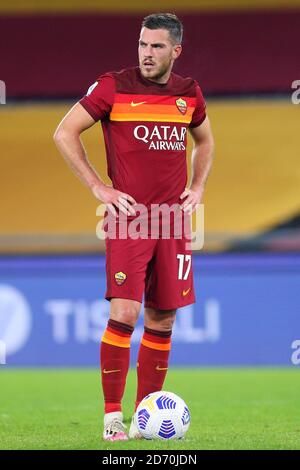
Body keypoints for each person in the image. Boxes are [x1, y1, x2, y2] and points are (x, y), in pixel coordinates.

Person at [54, 12, 214, 441]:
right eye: (143, 45)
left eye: (157, 46)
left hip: (173, 222)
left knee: (163, 320)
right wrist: (97, 187)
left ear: (175, 51)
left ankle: (145, 418)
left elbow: (205, 141)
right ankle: (111, 418)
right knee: (124, 312)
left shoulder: (189, 93)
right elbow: (65, 132)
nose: (146, 53)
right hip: (130, 219)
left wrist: (197, 185)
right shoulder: (113, 86)